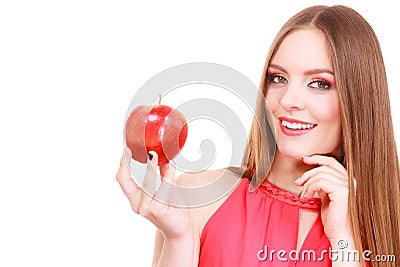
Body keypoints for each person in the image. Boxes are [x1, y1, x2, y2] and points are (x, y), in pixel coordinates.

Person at [116, 5, 400, 267]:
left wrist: (344, 244)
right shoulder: (201, 198)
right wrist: (179, 239)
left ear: (360, 101)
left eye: (319, 83)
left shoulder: (378, 227)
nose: (289, 99)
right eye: (278, 78)